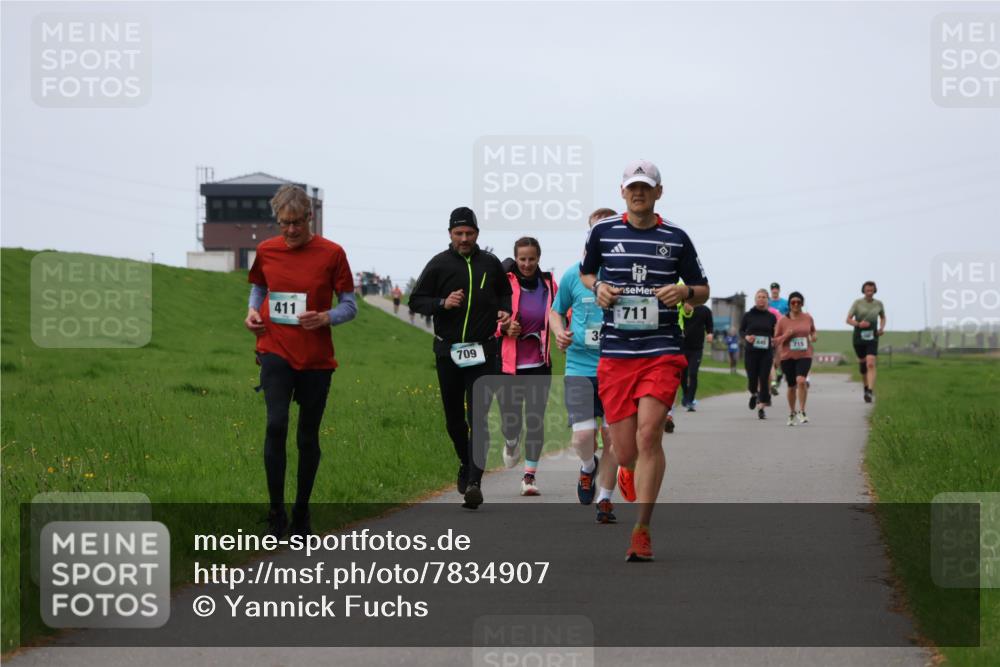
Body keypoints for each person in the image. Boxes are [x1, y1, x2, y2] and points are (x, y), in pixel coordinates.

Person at [580, 159, 710, 562]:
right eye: (632, 187)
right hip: (617, 355)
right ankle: (624, 469)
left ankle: (642, 530)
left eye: (646, 187)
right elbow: (587, 273)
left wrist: (684, 292)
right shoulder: (602, 232)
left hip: (661, 351)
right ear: (622, 192)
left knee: (650, 433)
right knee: (626, 449)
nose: (639, 193)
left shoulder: (677, 237)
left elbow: (704, 289)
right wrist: (599, 286)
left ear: (659, 192)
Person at [244, 184, 357, 538]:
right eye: (283, 223)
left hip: (316, 358)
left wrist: (326, 317)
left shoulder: (332, 253)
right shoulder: (266, 250)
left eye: (296, 223)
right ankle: (276, 513)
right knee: (276, 424)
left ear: (310, 218)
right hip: (274, 348)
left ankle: (301, 512)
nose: (290, 230)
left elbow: (350, 305)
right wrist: (251, 310)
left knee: (307, 437)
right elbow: (260, 287)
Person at [408, 207, 512, 510]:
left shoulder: (490, 263)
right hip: (449, 351)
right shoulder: (439, 264)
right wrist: (443, 302)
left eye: (469, 233)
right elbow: (417, 300)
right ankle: (466, 464)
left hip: (483, 352)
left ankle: (475, 483)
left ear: (477, 234)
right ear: (450, 235)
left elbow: (504, 293)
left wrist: (504, 310)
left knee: (477, 418)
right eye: (459, 233)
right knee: (454, 420)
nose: (464, 238)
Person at [550, 207, 619, 523]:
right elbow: (555, 311)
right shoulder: (572, 275)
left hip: (618, 367)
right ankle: (587, 467)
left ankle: (605, 499)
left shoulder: (623, 274)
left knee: (613, 437)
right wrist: (559, 332)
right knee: (582, 438)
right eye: (595, 231)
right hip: (579, 365)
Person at [496, 238, 557, 496]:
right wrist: (504, 327)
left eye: (532, 259)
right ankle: (511, 442)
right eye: (522, 259)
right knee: (511, 421)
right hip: (510, 365)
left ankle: (529, 477)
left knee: (535, 420)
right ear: (515, 259)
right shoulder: (504, 283)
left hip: (539, 364)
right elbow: (485, 317)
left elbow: (559, 314)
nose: (527, 264)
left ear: (538, 258)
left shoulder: (549, 285)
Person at [773, 291, 817, 426]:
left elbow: (813, 330)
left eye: (798, 302)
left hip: (805, 355)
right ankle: (792, 412)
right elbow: (775, 341)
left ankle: (802, 411)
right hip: (788, 357)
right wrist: (786, 335)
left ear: (802, 304)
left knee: (801, 381)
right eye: (793, 302)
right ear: (789, 304)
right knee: (791, 386)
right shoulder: (782, 321)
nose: (796, 304)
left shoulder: (808, 317)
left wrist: (814, 336)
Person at [739, 289, 778, 420]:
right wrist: (747, 337)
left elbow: (775, 334)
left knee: (764, 378)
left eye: (764, 297)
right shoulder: (748, 315)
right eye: (759, 297)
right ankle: (754, 394)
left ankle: (761, 407)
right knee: (752, 379)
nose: (761, 299)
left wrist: (774, 340)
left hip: (766, 353)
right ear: (755, 299)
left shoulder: (771, 317)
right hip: (751, 352)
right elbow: (741, 331)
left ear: (767, 300)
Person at [846, 281, 886, 403]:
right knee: (863, 366)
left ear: (875, 291)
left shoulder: (879, 304)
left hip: (873, 336)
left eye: (872, 290)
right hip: (859, 337)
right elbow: (848, 319)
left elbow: (883, 317)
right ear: (863, 291)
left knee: (870, 362)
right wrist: (858, 324)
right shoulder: (857, 303)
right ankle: (865, 386)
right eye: (867, 290)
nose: (869, 292)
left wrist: (881, 328)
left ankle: (869, 390)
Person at [679, 302, 713, 411]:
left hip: (697, 348)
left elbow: (709, 325)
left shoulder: (705, 310)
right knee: (683, 374)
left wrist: (710, 334)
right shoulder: (681, 308)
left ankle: (690, 400)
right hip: (682, 347)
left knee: (693, 373)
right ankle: (685, 394)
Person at [768, 282, 789, 395]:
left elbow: (790, 314)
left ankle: (778, 372)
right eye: (773, 289)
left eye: (776, 289)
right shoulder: (768, 302)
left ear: (779, 290)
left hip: (782, 332)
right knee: (772, 361)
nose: (774, 291)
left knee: (779, 357)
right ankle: (775, 375)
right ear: (771, 291)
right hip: (770, 333)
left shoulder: (785, 303)